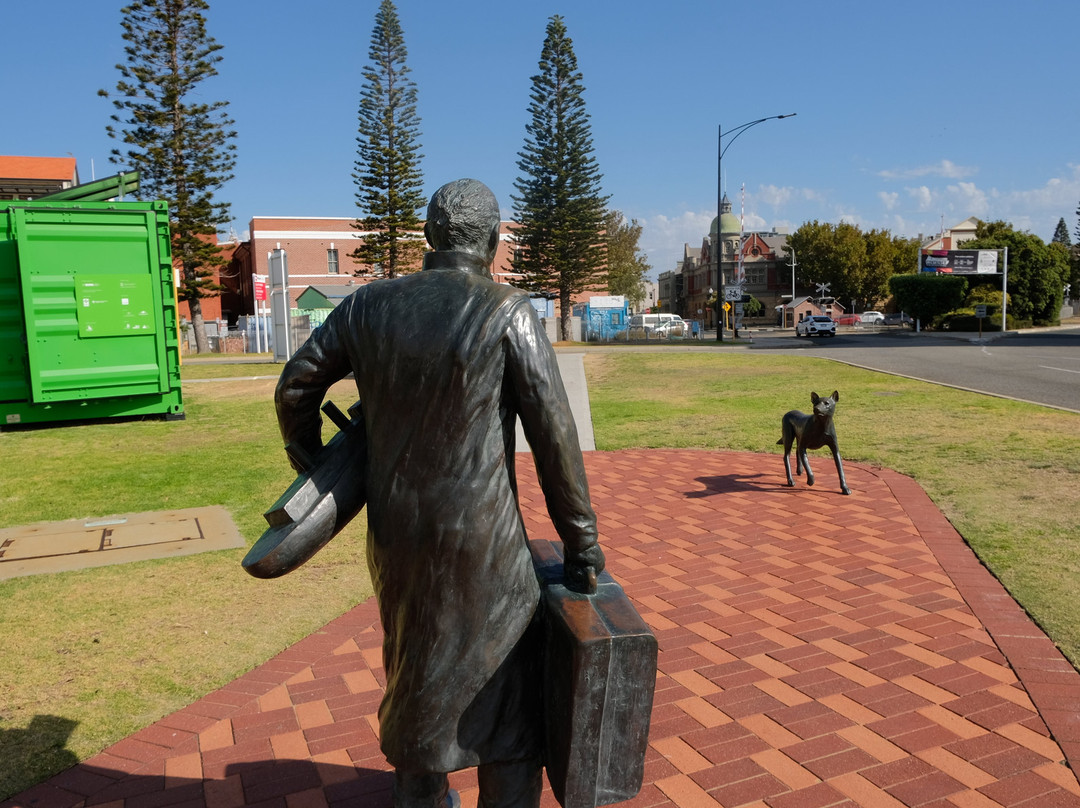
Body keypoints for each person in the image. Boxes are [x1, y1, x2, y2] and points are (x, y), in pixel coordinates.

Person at [274, 178, 604, 808]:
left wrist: (315, 462)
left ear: (428, 236)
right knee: (504, 700)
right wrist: (581, 541)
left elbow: (295, 386)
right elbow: (554, 437)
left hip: (396, 535)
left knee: (414, 666)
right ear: (494, 240)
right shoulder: (507, 311)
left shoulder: (367, 306)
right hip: (484, 546)